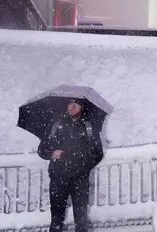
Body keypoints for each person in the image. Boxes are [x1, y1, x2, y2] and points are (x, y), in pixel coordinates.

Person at [38, 99, 104, 232]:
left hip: (80, 180)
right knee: (56, 219)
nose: (72, 107)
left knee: (81, 221)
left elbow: (98, 153)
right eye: (70, 105)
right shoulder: (56, 125)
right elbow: (41, 149)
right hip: (58, 179)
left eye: (76, 105)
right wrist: (52, 153)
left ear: (81, 107)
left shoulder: (88, 127)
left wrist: (84, 164)